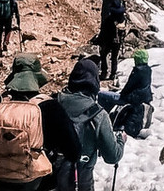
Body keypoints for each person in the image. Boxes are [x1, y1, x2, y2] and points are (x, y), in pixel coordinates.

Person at [0, 53, 80, 191]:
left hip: (1, 181)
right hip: (39, 183)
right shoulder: (50, 107)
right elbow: (74, 152)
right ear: (37, 77)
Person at [52, 58, 124, 191]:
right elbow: (112, 156)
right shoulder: (99, 115)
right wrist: (120, 139)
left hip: (53, 181)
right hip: (83, 181)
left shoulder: (52, 104)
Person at [99, 49, 153, 138]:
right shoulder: (148, 70)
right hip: (142, 98)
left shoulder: (137, 70)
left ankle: (103, 118)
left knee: (102, 95)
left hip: (130, 99)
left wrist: (122, 93)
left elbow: (129, 86)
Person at [96, 0, 127, 81]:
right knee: (114, 56)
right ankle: (113, 74)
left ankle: (104, 72)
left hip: (106, 26)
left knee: (103, 53)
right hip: (117, 36)